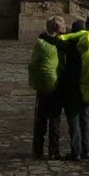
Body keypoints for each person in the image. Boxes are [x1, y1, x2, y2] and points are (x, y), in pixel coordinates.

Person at [31, 17, 66, 160]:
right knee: (55, 120)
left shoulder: (40, 42)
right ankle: (54, 150)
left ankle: (37, 149)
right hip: (56, 87)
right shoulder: (61, 44)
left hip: (42, 87)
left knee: (40, 119)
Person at [60, 20, 89, 161]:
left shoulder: (70, 43)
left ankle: (76, 151)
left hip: (72, 83)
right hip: (85, 82)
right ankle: (87, 149)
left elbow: (56, 42)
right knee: (85, 118)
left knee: (73, 118)